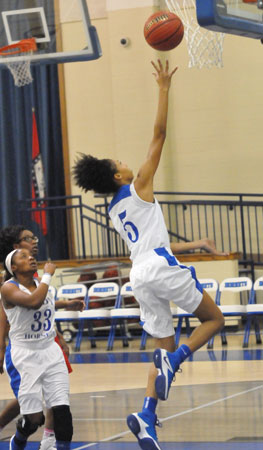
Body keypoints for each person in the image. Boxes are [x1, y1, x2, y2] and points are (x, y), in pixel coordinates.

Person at [72, 59, 225, 450]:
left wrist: (192, 246)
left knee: (161, 345)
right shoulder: (139, 184)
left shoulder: (115, 210)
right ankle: (176, 362)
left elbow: (154, 245)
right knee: (214, 319)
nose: (126, 162)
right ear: (119, 176)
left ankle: (146, 416)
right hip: (156, 266)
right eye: (119, 162)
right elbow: (159, 134)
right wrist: (163, 88)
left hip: (140, 273)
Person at [0, 226, 84, 450]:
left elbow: (44, 304)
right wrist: (0, 348)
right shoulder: (8, 288)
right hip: (25, 354)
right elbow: (32, 302)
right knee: (33, 417)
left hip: (49, 349)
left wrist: (67, 304)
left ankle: (55, 443)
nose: (31, 257)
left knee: (61, 407)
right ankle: (18, 439)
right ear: (14, 267)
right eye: (24, 255)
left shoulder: (39, 283)